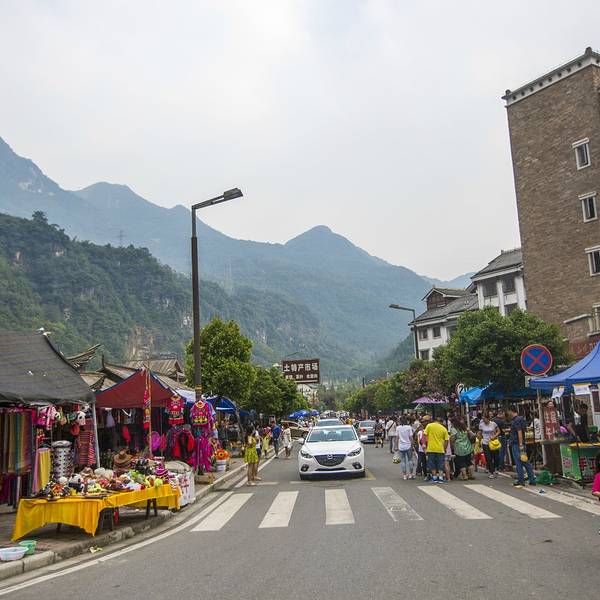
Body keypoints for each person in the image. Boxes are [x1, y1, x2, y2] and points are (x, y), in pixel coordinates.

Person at [507, 405, 536, 487]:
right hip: (521, 443)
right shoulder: (521, 419)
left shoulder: (516, 420)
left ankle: (521, 480)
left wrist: (520, 445)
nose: (508, 413)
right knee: (525, 462)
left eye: (508, 411)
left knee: (519, 463)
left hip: (517, 444)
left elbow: (519, 432)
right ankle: (532, 480)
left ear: (511, 411)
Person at [424, 414, 449, 483]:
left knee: (432, 463)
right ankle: (441, 478)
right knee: (440, 463)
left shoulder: (429, 426)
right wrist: (444, 448)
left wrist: (426, 444)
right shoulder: (444, 429)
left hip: (431, 448)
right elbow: (446, 440)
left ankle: (434, 478)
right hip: (440, 449)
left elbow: (425, 435)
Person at [479, 413, 501, 478]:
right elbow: (480, 433)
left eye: (484, 418)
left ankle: (496, 468)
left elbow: (499, 431)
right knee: (488, 458)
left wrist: (495, 436)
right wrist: (480, 440)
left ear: (488, 418)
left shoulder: (493, 424)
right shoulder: (481, 425)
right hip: (485, 443)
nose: (483, 420)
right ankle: (492, 472)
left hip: (493, 442)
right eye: (482, 419)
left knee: (496, 457)